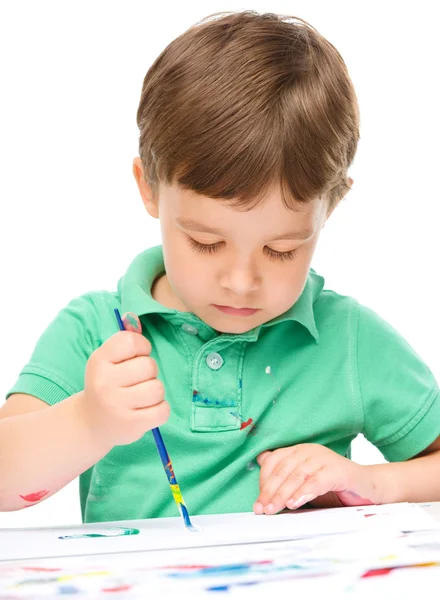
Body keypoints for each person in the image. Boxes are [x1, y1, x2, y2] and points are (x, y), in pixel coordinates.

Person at [1, 11, 439, 523]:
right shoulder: (96, 331)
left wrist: (371, 481)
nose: (241, 280)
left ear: (330, 208)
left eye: (281, 250)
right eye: (206, 242)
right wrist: (88, 420)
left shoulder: (348, 340)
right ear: (149, 187)